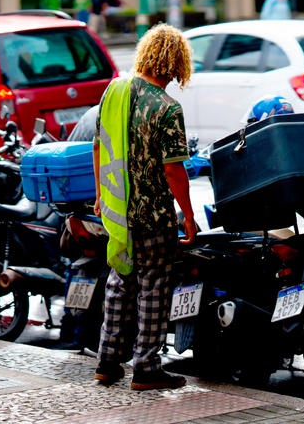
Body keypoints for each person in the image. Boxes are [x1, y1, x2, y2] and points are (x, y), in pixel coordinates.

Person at [92, 23, 197, 390]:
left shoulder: (114, 92)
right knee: (153, 289)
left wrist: (101, 194)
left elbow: (98, 146)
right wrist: (188, 214)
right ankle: (146, 367)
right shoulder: (167, 107)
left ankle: (107, 361)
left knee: (120, 284)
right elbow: (173, 170)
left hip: (118, 210)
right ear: (176, 64)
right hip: (153, 217)